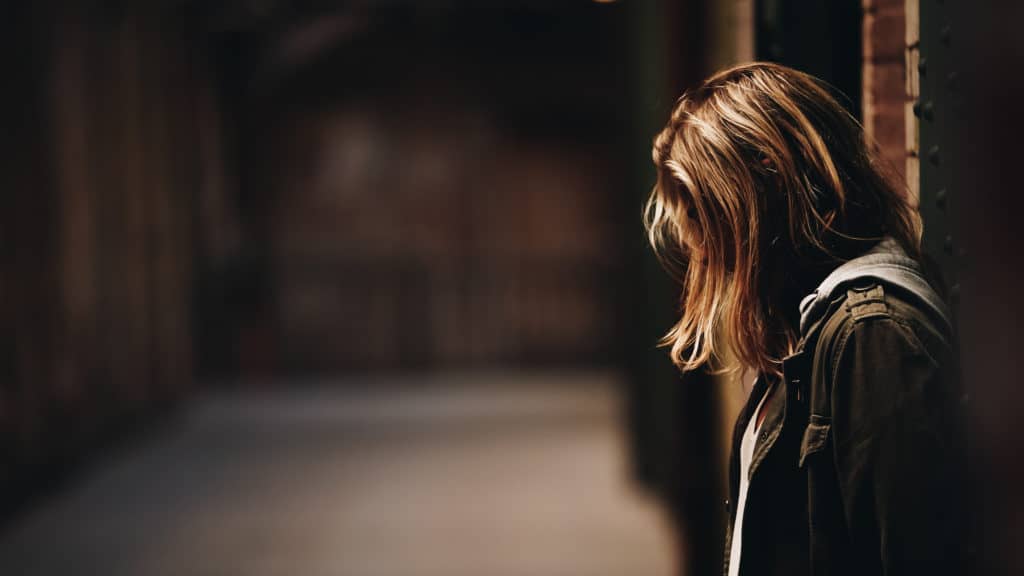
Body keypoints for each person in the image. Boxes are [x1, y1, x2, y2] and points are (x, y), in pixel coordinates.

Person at [643, 62, 967, 576]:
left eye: (708, 220)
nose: (702, 252)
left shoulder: (873, 336)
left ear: (765, 184)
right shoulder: (811, 331)